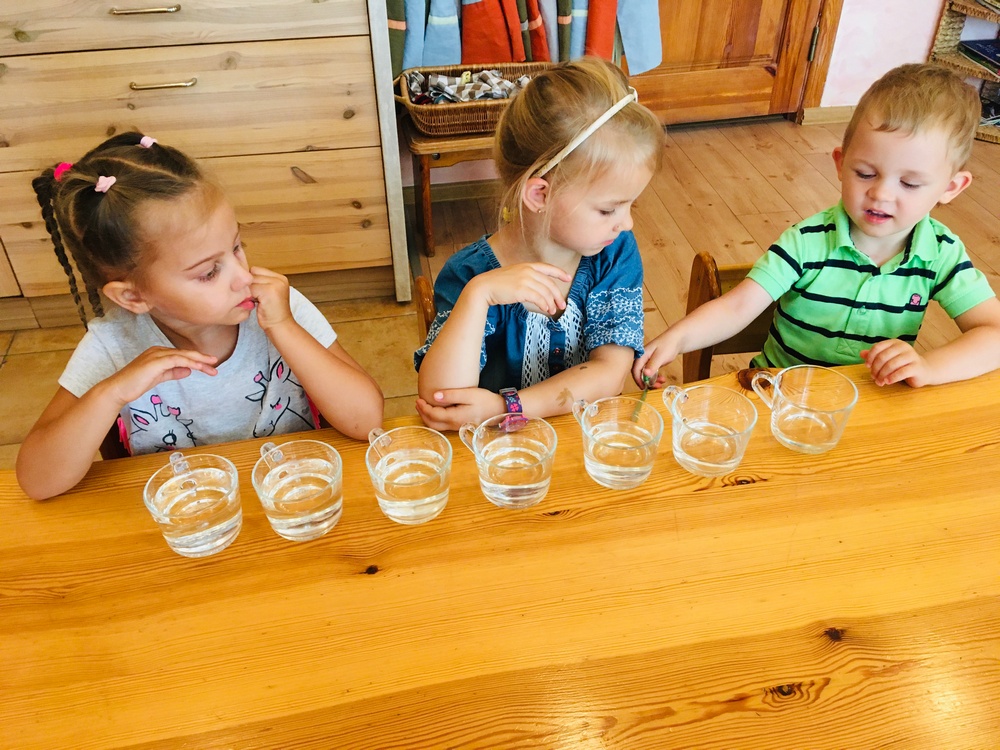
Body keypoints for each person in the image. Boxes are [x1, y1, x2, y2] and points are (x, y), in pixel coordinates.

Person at [17, 133, 383, 500]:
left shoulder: (280, 308)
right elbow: (37, 482)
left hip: (296, 495)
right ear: (133, 296)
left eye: (236, 247)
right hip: (195, 514)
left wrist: (285, 328)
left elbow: (366, 421)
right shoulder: (112, 346)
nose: (244, 277)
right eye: (209, 272)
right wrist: (112, 393)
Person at [634, 63, 1000, 390]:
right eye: (865, 173)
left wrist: (929, 367)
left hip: (871, 402)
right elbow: (737, 307)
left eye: (910, 183)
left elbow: (994, 334)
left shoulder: (942, 254)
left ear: (951, 188)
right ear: (840, 164)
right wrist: (676, 339)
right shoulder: (807, 241)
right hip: (778, 395)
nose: (881, 194)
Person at [414, 56, 664, 431]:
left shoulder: (613, 254)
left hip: (582, 442)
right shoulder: (468, 275)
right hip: (498, 455)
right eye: (608, 209)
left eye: (631, 206)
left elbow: (611, 374)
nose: (626, 223)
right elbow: (442, 398)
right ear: (540, 195)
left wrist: (506, 407)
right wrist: (478, 296)